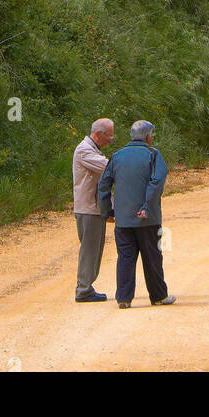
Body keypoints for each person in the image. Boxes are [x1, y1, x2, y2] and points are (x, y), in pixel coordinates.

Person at [97, 120, 176, 308]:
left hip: (123, 220)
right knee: (152, 258)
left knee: (125, 258)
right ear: (148, 136)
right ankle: (158, 296)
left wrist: (107, 211)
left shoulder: (116, 156)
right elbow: (156, 183)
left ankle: (124, 299)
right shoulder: (153, 154)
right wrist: (146, 206)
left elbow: (103, 185)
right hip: (148, 220)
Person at [72, 118, 114, 302]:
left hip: (94, 208)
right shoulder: (84, 150)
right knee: (90, 249)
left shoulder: (92, 149)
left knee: (95, 249)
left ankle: (87, 287)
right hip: (88, 208)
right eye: (109, 137)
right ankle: (83, 289)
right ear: (99, 134)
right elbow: (109, 168)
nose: (109, 141)